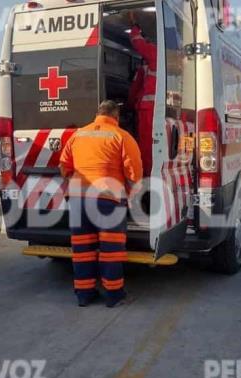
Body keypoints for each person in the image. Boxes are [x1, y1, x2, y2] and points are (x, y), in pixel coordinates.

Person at [59, 100, 143, 307]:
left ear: (98, 114)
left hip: (78, 200)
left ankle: (84, 295)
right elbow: (134, 172)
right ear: (116, 116)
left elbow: (64, 166)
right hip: (109, 201)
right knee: (111, 251)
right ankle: (114, 296)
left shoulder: (77, 135)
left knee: (82, 250)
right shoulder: (121, 136)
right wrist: (131, 193)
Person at [128, 13, 157, 177]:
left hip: (149, 111)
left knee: (146, 147)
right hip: (152, 109)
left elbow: (138, 42)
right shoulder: (149, 65)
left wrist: (134, 25)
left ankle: (146, 177)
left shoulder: (155, 53)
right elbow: (136, 88)